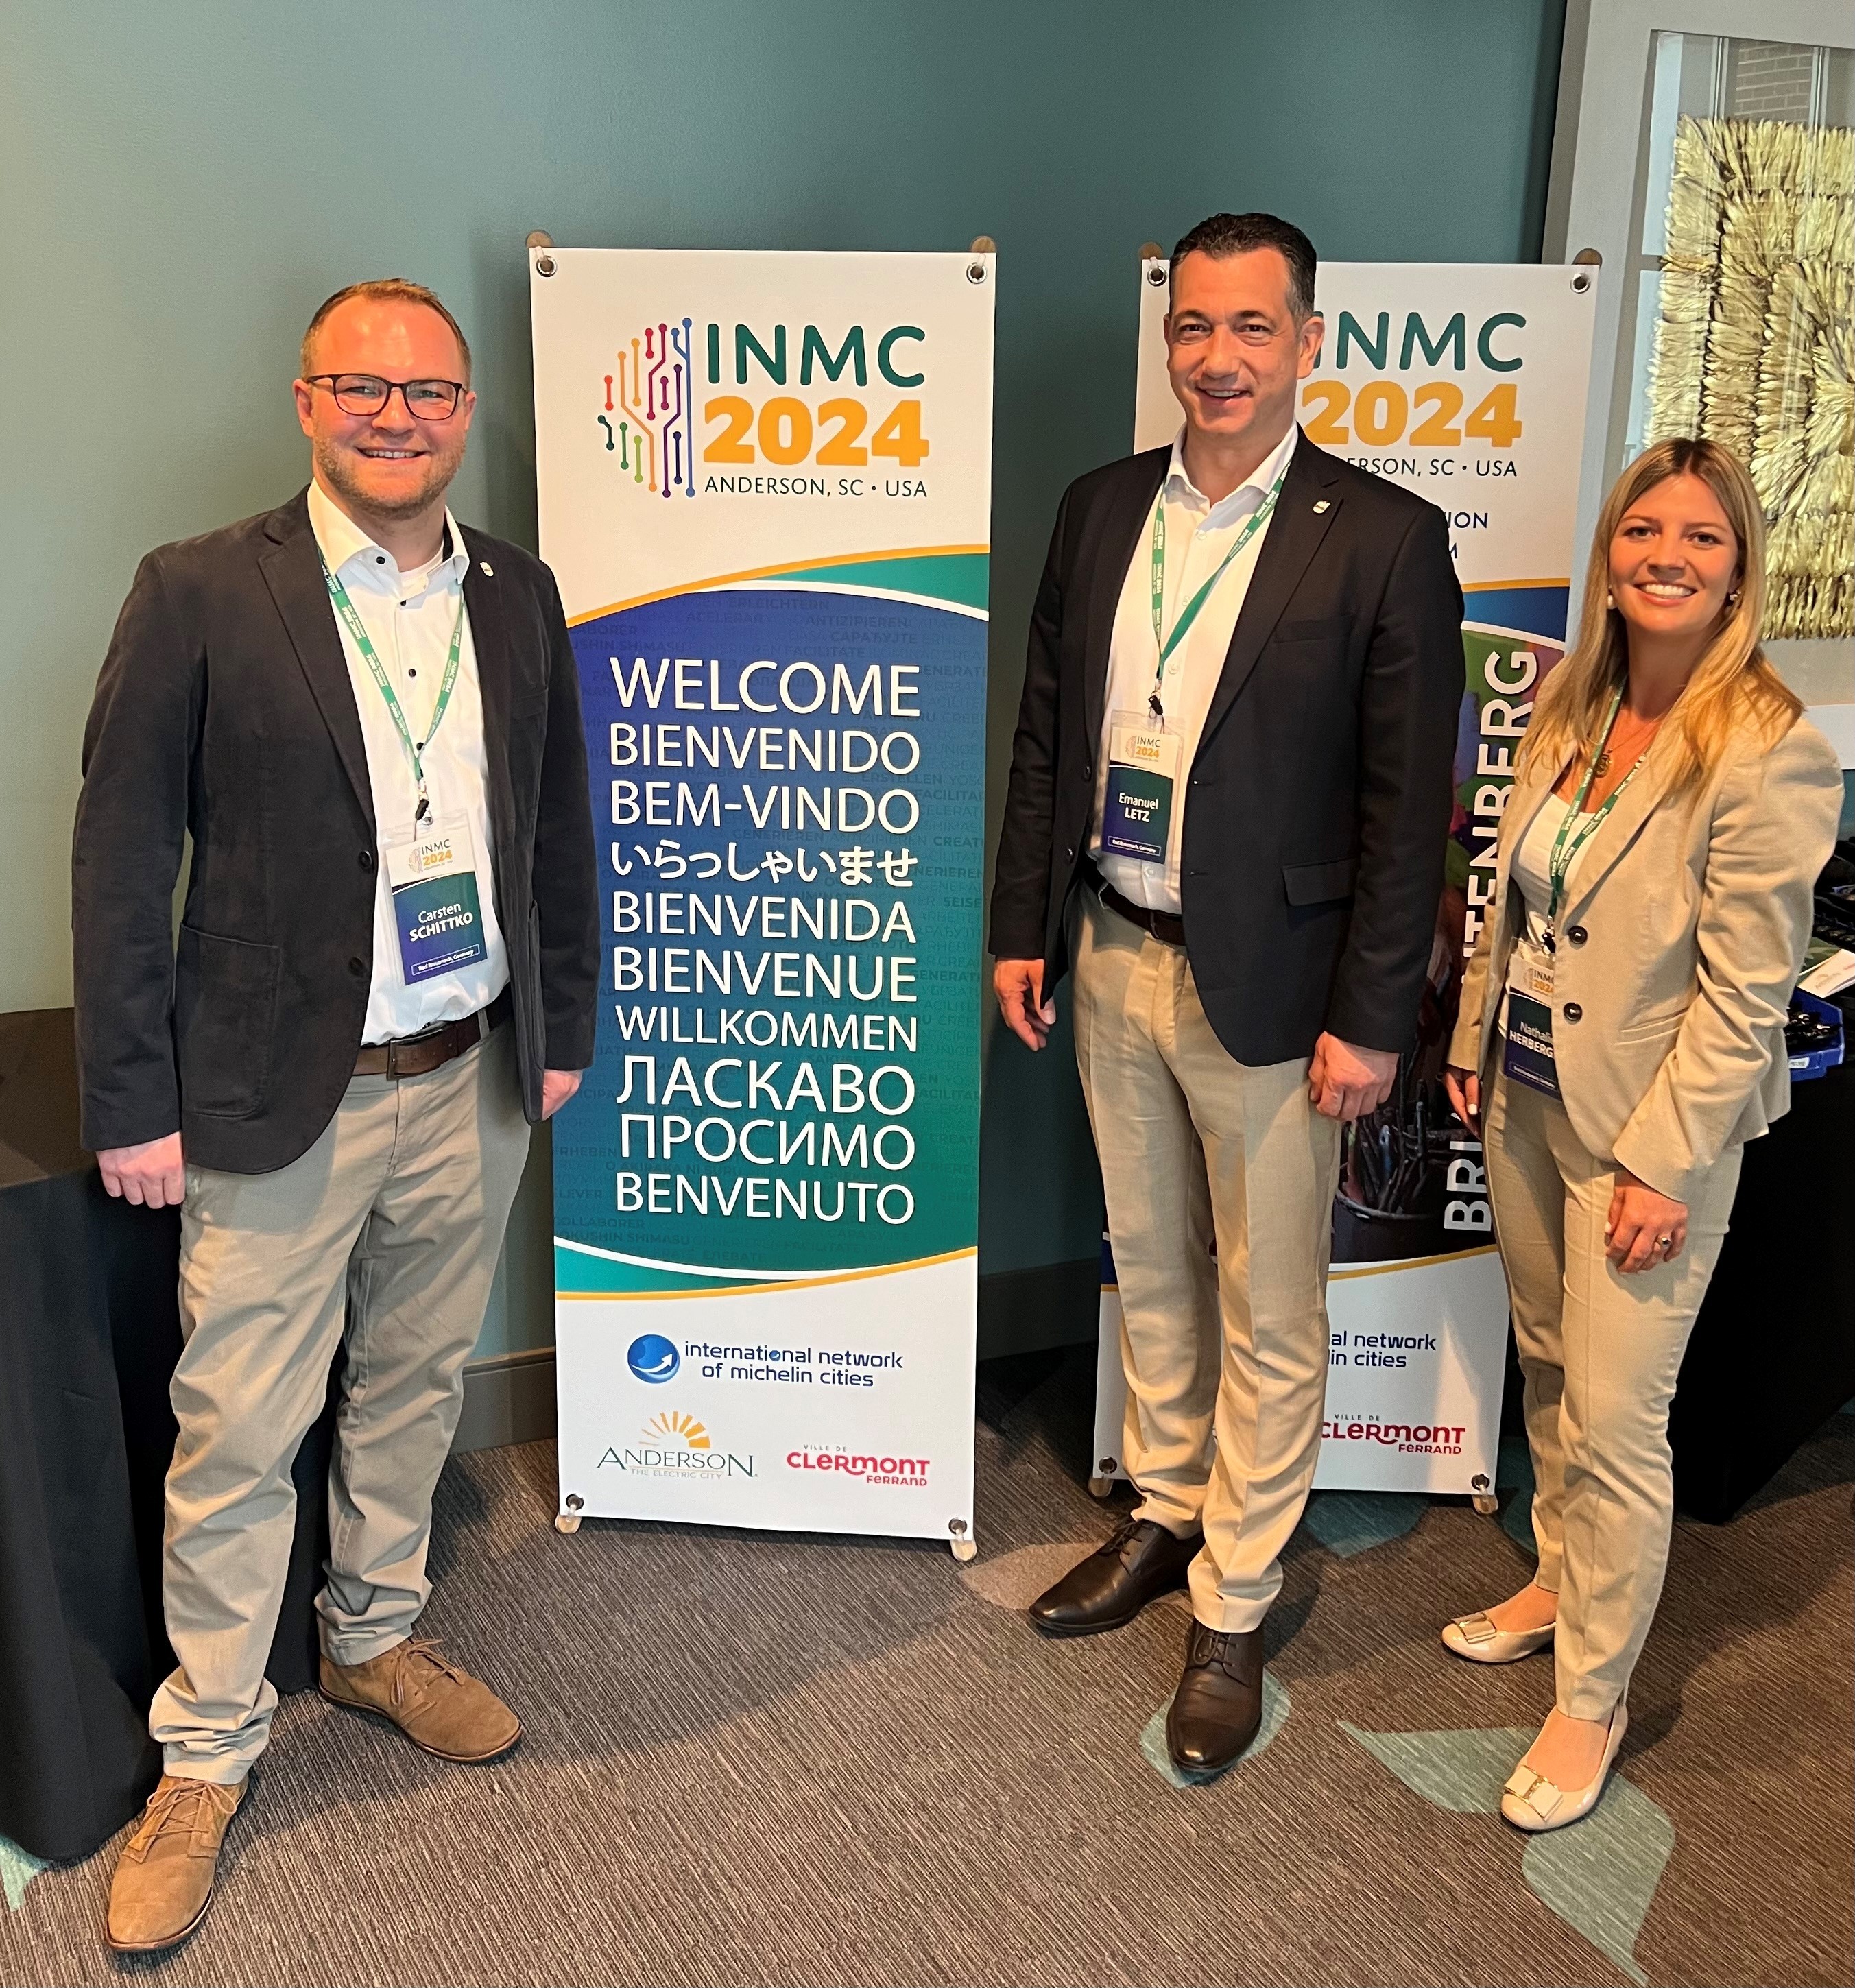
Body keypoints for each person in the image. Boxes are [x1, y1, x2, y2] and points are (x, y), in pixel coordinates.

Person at [73, 278, 599, 1950]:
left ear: (465, 412)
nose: (397, 416)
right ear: (307, 402)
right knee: (239, 1428)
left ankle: (373, 1637)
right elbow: (121, 853)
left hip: (468, 1073)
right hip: (273, 1092)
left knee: (415, 1384)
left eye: (428, 391)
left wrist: (562, 1025)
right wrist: (131, 1094)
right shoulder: (198, 589)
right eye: (361, 387)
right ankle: (208, 1750)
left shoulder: (517, 591)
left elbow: (556, 823)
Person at [990, 213, 1462, 1773]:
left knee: (1269, 1303)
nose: (1219, 357)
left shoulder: (1382, 536)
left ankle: (1236, 1597)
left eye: (1253, 327)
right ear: (1168, 339)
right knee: (1149, 1261)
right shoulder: (1101, 506)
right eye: (1194, 326)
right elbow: (1049, 732)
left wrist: (1373, 1017)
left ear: (1308, 342)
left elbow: (1409, 811)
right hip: (1114, 946)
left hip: (1278, 990)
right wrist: (1023, 922)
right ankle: (1169, 1508)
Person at [1440, 438, 1842, 1832]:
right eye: (1642, 532)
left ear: (1738, 572)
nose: (1666, 557)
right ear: (1610, 553)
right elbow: (1508, 901)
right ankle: (1559, 1578)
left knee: (1617, 1420)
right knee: (1551, 1363)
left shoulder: (1770, 747)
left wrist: (1668, 1162)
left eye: (1700, 538)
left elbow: (1745, 995)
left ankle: (1593, 1697)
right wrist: (1468, 1041)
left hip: (1648, 1137)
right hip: (1527, 1091)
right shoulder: (1573, 702)